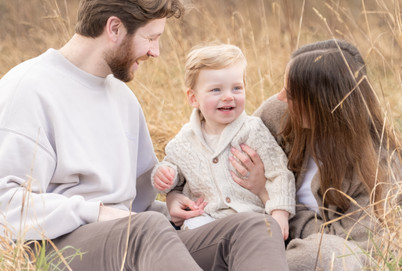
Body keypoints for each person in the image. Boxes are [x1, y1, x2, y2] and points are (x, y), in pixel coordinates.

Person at [0, 0, 289, 270]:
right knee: (145, 228)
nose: (156, 51)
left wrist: (174, 207)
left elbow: (139, 202)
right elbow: (7, 205)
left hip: (135, 234)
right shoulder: (27, 88)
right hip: (54, 247)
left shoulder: (122, 98)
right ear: (114, 28)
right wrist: (99, 212)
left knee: (255, 227)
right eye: (151, 38)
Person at [167, 39, 401, 270]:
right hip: (252, 234)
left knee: (323, 255)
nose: (280, 96)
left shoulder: (379, 164)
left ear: (321, 104)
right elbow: (208, 156)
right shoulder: (277, 114)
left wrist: (268, 194)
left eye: (292, 93)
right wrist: (175, 195)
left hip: (309, 248)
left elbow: (357, 246)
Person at [152, 44, 295, 239]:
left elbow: (279, 173)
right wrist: (164, 175)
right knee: (191, 230)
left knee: (260, 237)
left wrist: (280, 213)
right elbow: (173, 170)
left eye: (237, 88)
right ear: (194, 98)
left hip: (250, 218)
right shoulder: (184, 141)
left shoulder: (253, 130)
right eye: (216, 90)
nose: (228, 96)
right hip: (206, 219)